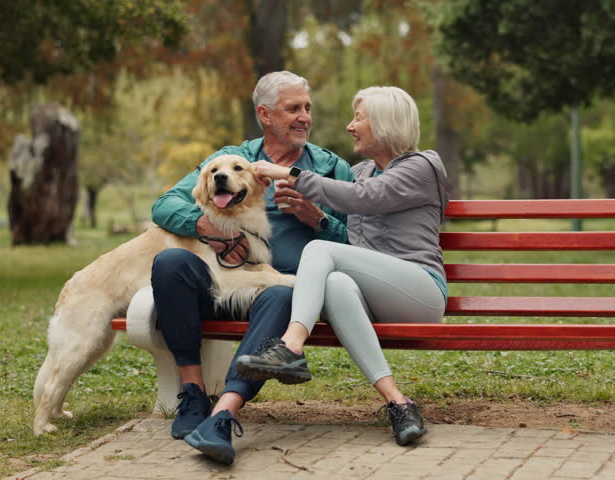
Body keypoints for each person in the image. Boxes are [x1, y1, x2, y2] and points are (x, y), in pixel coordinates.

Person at [149, 71, 355, 464]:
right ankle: (192, 394)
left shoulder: (330, 169)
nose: (304, 117)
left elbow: (361, 243)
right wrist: (202, 224)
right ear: (265, 114)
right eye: (293, 108)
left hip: (282, 296)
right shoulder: (230, 161)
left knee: (280, 291)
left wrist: (319, 220)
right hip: (224, 283)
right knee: (171, 262)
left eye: (307, 108)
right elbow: (164, 205)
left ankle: (223, 414)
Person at [238, 86, 453, 447]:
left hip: (421, 291)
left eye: (358, 118)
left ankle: (291, 346)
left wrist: (284, 172)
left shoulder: (422, 166)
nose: (349, 127)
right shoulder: (362, 170)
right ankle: (399, 403)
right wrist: (319, 220)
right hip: (380, 292)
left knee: (322, 253)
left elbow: (363, 199)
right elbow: (355, 243)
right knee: (335, 283)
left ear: (384, 123)